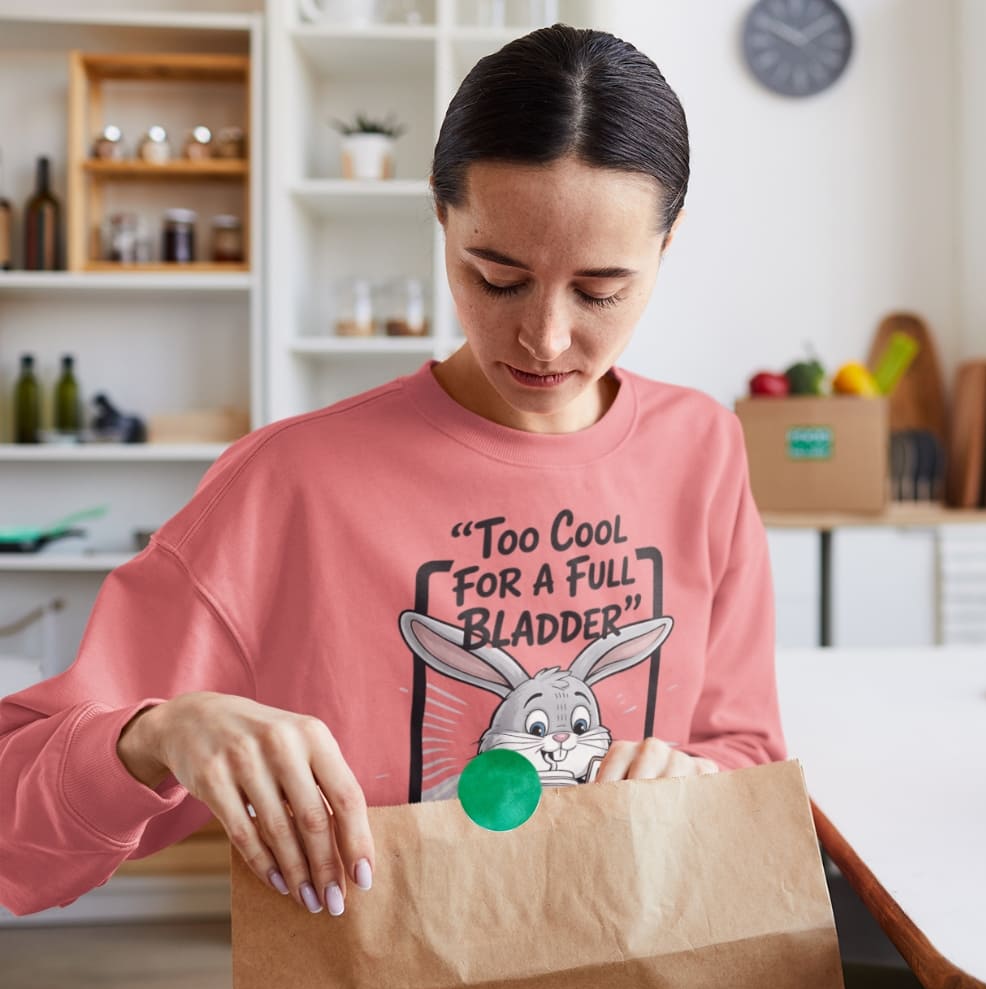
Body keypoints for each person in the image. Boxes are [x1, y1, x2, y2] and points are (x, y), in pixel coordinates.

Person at [0, 24, 784, 922]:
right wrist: (156, 734)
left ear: (668, 246)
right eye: (497, 279)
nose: (547, 339)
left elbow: (745, 749)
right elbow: (13, 829)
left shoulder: (704, 447)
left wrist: (696, 778)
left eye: (601, 290)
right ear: (441, 216)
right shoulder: (289, 482)